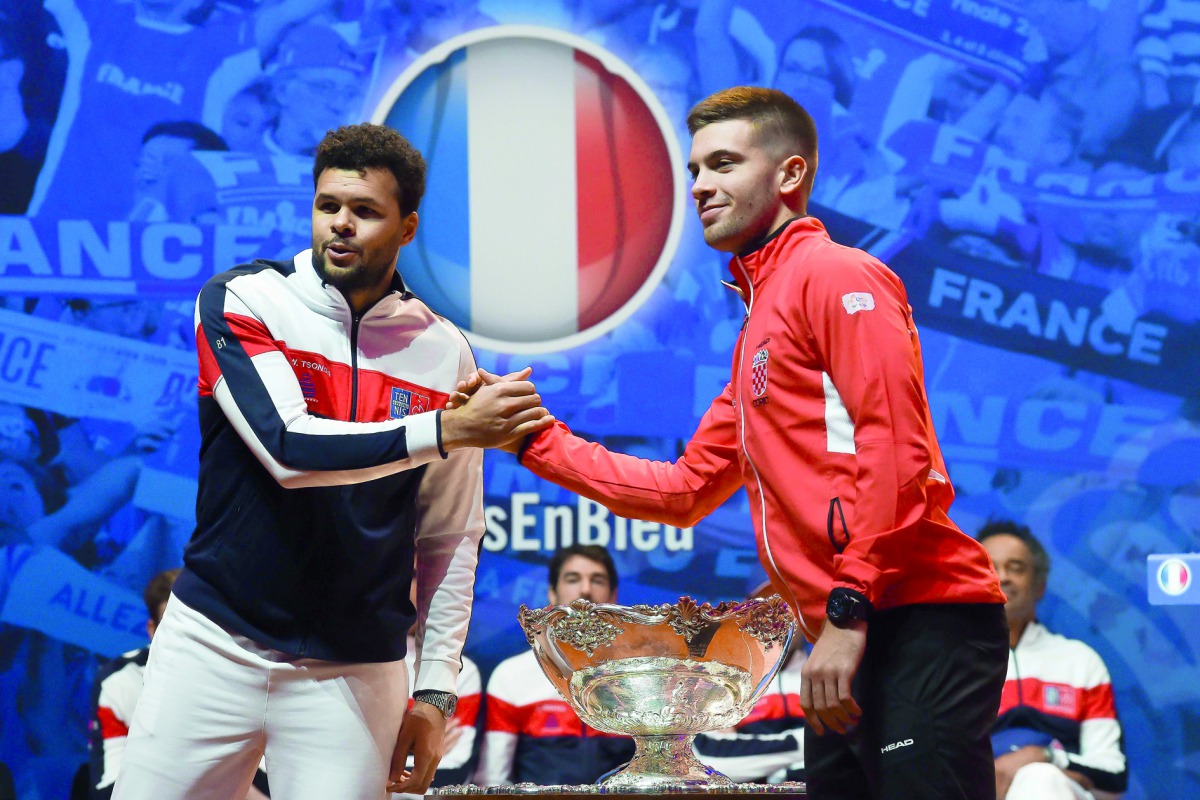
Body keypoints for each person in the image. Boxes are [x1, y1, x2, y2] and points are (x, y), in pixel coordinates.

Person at [453, 87, 1008, 799]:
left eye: (722, 164)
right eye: (693, 170)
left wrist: (846, 615)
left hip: (916, 615)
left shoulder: (839, 276)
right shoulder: (759, 328)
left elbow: (899, 455)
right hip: (852, 627)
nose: (700, 187)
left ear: (789, 175)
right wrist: (531, 439)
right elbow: (684, 490)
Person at [111, 122, 554, 800]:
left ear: (406, 229)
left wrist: (435, 691)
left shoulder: (443, 351)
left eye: (366, 211)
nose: (341, 225)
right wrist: (449, 426)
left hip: (357, 668)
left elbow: (450, 537)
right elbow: (288, 448)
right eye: (329, 206)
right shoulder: (244, 300)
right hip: (214, 644)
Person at [88, 569, 271, 800]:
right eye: (175, 626)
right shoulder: (119, 682)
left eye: (203, 624)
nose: (192, 639)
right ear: (152, 631)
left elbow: (275, 786)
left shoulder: (255, 674)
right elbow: (107, 789)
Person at [979, 521, 1128, 800]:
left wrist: (1043, 757)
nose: (1004, 577)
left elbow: (1114, 777)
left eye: (1016, 567)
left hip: (1060, 788)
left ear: (1039, 586)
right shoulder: (951, 664)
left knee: (1040, 778)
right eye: (990, 567)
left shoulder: (1080, 662)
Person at [474, 545, 635, 787]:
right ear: (551, 593)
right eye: (572, 579)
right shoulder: (511, 676)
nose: (585, 590)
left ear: (613, 596)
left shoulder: (639, 677)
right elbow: (493, 781)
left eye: (597, 580)